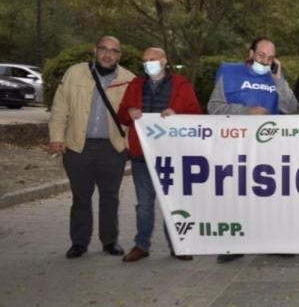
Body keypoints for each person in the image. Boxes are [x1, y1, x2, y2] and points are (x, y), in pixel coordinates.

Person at [208, 37, 298, 263]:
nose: (265, 61)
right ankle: (233, 245)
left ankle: (273, 242)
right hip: (235, 145)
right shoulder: (228, 72)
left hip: (268, 147)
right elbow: (213, 107)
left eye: (270, 58)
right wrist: (247, 112)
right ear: (251, 53)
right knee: (236, 195)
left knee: (269, 194)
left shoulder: (275, 77)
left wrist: (279, 80)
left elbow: (292, 108)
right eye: (261, 56)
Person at [49, 36, 135, 258]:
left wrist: (126, 147)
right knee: (80, 197)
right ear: (95, 50)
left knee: (110, 197)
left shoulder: (129, 80)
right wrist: (57, 136)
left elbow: (135, 117)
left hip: (112, 148)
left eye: (114, 51)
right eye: (104, 49)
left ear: (119, 55)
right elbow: (60, 107)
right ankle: (79, 242)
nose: (108, 54)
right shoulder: (75, 72)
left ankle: (110, 241)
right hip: (78, 147)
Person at [117, 47, 202, 262]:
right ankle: (141, 245)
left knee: (172, 202)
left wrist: (177, 114)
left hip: (172, 155)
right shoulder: (136, 84)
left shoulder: (180, 84)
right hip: (141, 155)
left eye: (152, 59)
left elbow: (196, 115)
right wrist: (129, 112)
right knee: (144, 204)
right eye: (145, 60)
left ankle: (177, 245)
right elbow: (121, 114)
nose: (148, 63)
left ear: (164, 61)